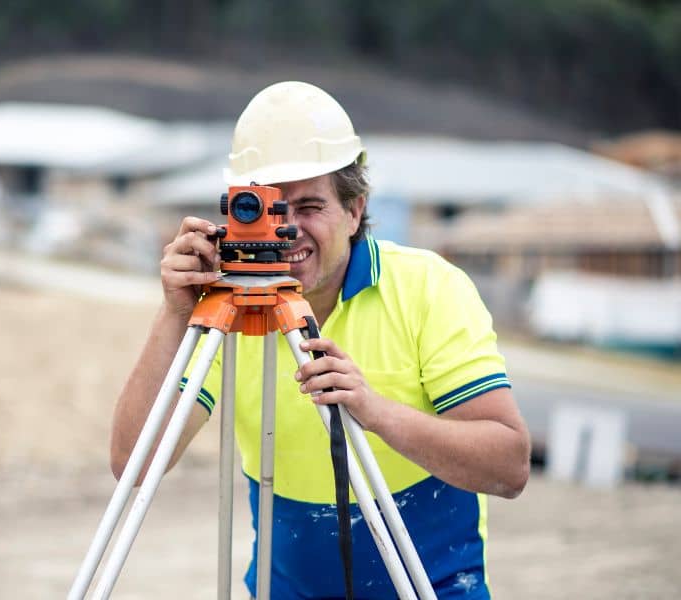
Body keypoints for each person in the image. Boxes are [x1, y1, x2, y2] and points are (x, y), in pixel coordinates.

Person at [110, 81, 530, 599]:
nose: (288, 229)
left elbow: (509, 466)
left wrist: (374, 412)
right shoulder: (228, 308)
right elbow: (136, 464)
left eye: (309, 206)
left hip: (433, 586)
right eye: (267, 206)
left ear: (355, 210)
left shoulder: (428, 288)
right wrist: (175, 312)